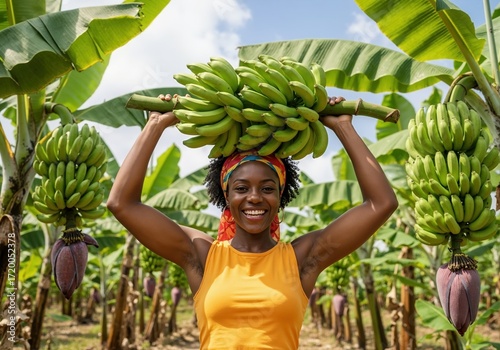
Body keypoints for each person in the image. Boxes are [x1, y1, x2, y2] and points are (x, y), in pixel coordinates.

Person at [107, 94, 398, 349]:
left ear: (281, 194)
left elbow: (381, 203)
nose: (255, 198)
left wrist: (343, 127)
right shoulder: (203, 256)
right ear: (226, 194)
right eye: (242, 188)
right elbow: (122, 204)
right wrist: (155, 125)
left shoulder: (301, 259)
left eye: (267, 188)